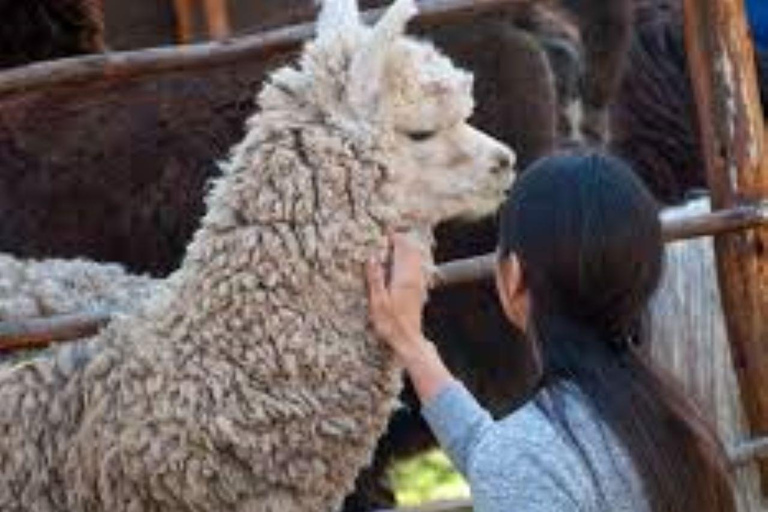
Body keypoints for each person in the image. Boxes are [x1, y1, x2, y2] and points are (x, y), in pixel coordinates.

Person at [366, 152, 735, 511]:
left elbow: (520, 468)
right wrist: (411, 345)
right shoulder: (683, 426)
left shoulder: (527, 459)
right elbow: (500, 458)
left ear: (513, 277)